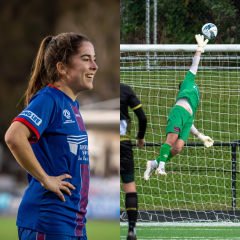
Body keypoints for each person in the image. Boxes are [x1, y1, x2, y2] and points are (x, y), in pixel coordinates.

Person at [5, 32, 98, 240]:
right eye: (86, 59)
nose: (94, 66)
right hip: (48, 223)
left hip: (73, 225)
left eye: (94, 59)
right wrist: (46, 179)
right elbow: (14, 136)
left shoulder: (72, 106)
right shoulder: (49, 99)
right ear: (62, 67)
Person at [144, 34, 214, 180]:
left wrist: (201, 136)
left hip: (188, 117)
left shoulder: (196, 97)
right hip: (178, 112)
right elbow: (195, 65)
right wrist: (199, 49)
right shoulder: (188, 81)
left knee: (177, 148)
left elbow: (190, 121)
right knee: (171, 140)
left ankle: (153, 164)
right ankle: (161, 168)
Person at [120, 83, 147, 240]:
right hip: (123, 143)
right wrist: (141, 136)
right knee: (129, 187)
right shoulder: (125, 90)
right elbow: (142, 118)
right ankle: (131, 230)